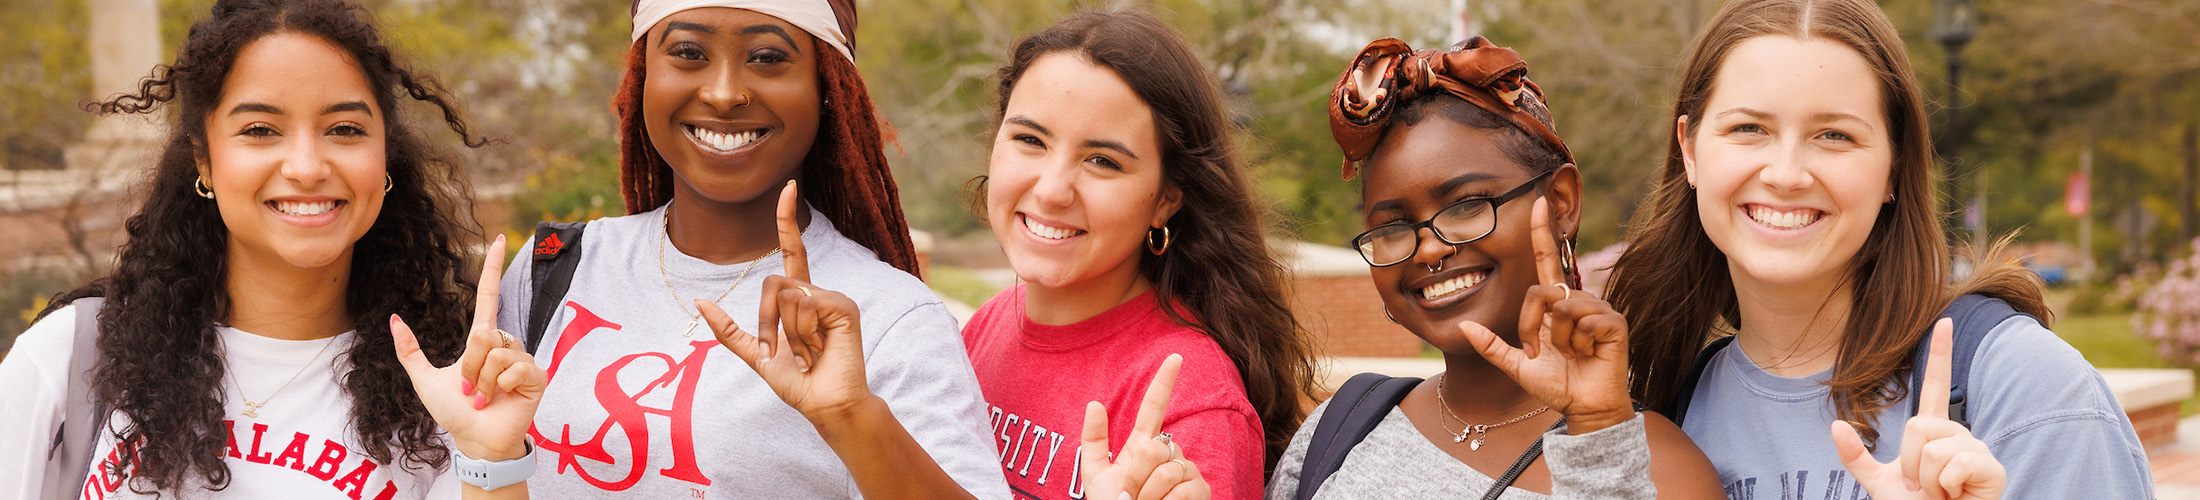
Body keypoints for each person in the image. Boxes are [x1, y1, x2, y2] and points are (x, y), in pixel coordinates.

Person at [459, 0, 1009, 497]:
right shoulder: (558, 264)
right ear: (643, 76)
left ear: (828, 87)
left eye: (768, 57)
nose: (724, 93)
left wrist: (851, 416)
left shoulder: (891, 316)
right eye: (688, 52)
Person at [1606, 0, 2154, 498]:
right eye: (1749, 128)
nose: (1787, 173)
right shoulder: (1672, 406)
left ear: (1893, 166)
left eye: (1834, 135)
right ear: (1690, 150)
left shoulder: (2024, 386)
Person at [0, 0, 503, 498]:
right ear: (204, 160)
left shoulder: (447, 388)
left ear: (384, 155)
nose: (306, 168)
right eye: (259, 130)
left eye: (345, 130)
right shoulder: (75, 357)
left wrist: (490, 460)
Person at [1264, 36, 1724, 500]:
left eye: (1466, 207)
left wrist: (1597, 439)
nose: (1427, 251)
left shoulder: (1658, 470)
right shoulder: (1341, 431)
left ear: (1561, 203)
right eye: (1394, 227)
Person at [957, 9, 1319, 500]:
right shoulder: (983, 329)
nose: (1052, 190)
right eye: (1030, 140)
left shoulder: (1191, 404)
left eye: (1102, 161)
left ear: (1167, 197)